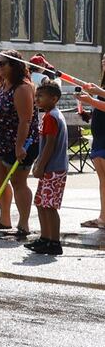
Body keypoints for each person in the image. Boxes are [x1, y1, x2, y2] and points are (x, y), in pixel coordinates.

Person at [0, 51, 38, 239]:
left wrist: (19, 146)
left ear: (15, 66)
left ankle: (23, 224)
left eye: (2, 64)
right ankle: (4, 219)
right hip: (0, 141)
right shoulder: (4, 85)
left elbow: (25, 121)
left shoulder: (22, 88)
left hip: (20, 143)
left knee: (18, 182)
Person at [27, 80, 68, 256]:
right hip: (50, 167)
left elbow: (50, 145)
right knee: (41, 203)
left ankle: (54, 242)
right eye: (36, 95)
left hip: (53, 168)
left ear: (54, 98)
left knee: (49, 206)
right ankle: (45, 238)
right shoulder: (50, 115)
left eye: (40, 96)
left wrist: (39, 166)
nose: (37, 99)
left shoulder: (51, 116)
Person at [77, 54, 105, 230]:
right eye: (103, 59)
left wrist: (92, 99)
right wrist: (89, 109)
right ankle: (103, 217)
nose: (104, 61)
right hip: (100, 138)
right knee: (103, 181)